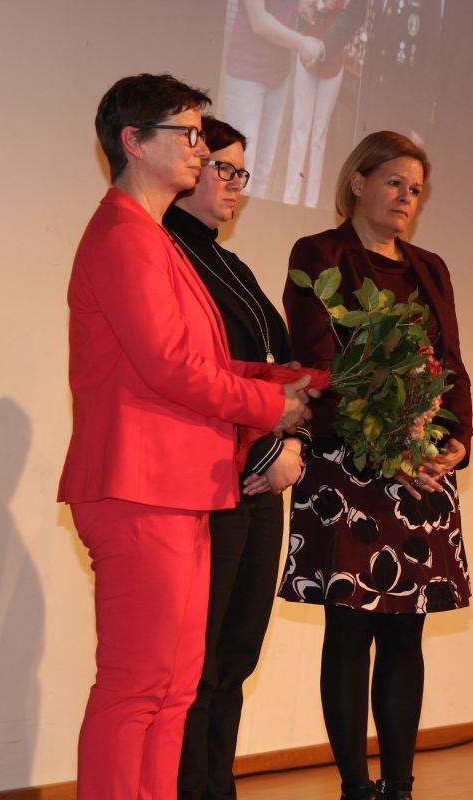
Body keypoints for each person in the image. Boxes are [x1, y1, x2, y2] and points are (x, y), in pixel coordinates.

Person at [58, 73, 312, 800]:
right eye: (189, 134)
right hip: (137, 486)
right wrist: (269, 405)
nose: (202, 149)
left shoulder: (157, 241)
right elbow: (171, 367)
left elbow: (203, 360)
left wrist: (289, 386)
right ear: (134, 142)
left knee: (174, 688)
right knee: (137, 686)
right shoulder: (123, 236)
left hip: (180, 486)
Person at [278, 131, 473, 800]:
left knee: (406, 631)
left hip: (421, 471)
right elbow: (318, 362)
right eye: (394, 182)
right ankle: (356, 789)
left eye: (415, 189)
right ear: (358, 182)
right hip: (349, 464)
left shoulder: (430, 267)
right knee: (350, 628)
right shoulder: (320, 255)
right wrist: (393, 443)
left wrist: (457, 442)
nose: (405, 198)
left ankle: (400, 786)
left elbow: (451, 365)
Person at [163, 116, 309, 800]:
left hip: (261, 481)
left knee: (237, 652)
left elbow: (285, 369)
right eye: (223, 168)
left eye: (240, 173)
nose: (234, 185)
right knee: (197, 662)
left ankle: (218, 786)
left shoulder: (234, 266)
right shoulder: (168, 255)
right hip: (210, 482)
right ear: (188, 168)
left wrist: (292, 442)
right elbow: (193, 375)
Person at [223, 0, 326, 199]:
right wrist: (301, 42)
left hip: (277, 76)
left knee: (263, 169)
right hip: (246, 74)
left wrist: (302, 7)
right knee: (242, 164)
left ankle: (255, 216)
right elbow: (259, 22)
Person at [282, 0, 366, 208]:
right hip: (307, 52)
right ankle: (290, 197)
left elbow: (349, 14)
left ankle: (311, 201)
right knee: (300, 129)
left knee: (320, 134)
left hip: (333, 60)